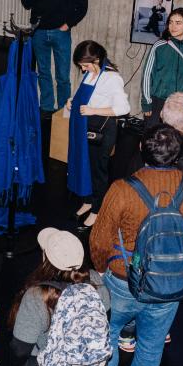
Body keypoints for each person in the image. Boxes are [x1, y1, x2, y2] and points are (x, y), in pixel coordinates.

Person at [87, 125, 183, 366]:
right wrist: (173, 265)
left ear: (142, 150)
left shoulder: (121, 189)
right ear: (178, 153)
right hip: (168, 287)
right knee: (152, 345)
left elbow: (100, 241)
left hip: (121, 280)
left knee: (108, 337)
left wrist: (103, 269)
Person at [9, 228, 110, 366]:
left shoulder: (38, 296)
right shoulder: (96, 283)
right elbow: (104, 318)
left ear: (46, 258)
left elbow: (20, 349)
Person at [64, 40, 130, 233]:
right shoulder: (90, 74)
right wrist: (71, 102)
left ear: (97, 59)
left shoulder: (112, 78)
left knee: (97, 172)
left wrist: (94, 110)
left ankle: (97, 209)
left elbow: (124, 108)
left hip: (101, 131)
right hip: (85, 126)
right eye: (81, 67)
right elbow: (84, 98)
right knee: (84, 167)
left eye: (85, 65)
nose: (83, 70)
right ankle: (87, 201)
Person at [20, 0, 88, 117]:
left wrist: (68, 24)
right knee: (43, 72)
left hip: (61, 32)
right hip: (39, 31)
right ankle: (47, 110)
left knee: (63, 77)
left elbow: (82, 5)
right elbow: (25, 1)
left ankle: (63, 112)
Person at [141, 7, 183, 128]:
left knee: (174, 143)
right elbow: (147, 76)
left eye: (178, 23)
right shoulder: (159, 46)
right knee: (151, 142)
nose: (173, 26)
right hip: (157, 101)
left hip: (180, 104)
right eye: (170, 22)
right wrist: (146, 103)